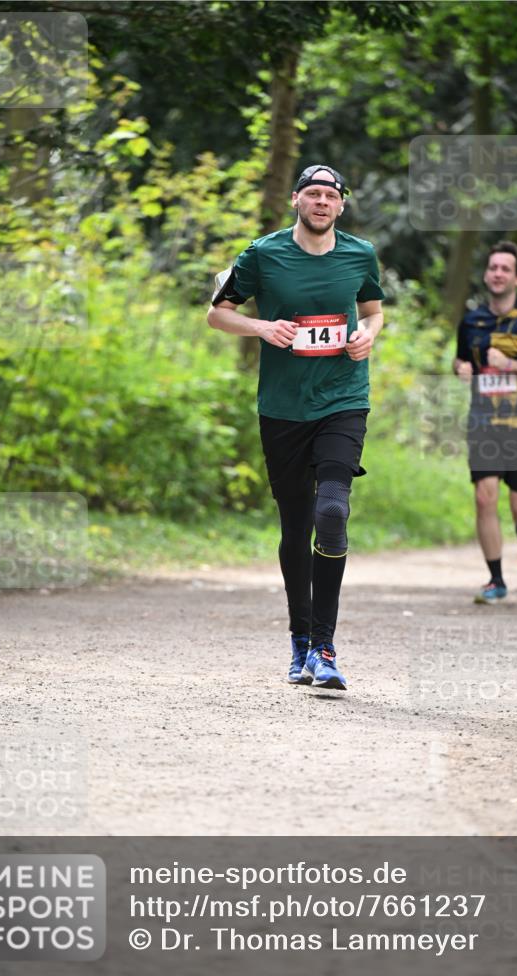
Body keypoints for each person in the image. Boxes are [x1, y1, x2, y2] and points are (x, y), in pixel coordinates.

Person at [207, 164, 384, 690]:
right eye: (313, 193)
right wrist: (261, 326)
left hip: (343, 398)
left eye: (331, 195)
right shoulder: (263, 254)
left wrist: (368, 334)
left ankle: (326, 649)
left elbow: (373, 311)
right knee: (296, 525)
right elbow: (217, 313)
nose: (322, 202)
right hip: (283, 408)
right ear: (295, 201)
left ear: (341, 205)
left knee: (332, 511)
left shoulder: (360, 254)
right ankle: (300, 640)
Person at [453, 241, 517, 604]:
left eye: (505, 269)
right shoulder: (471, 321)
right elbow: (461, 360)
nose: (498, 273)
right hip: (486, 420)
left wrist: (510, 365)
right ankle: (495, 579)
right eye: (493, 267)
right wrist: (460, 368)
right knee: (485, 495)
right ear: (486, 274)